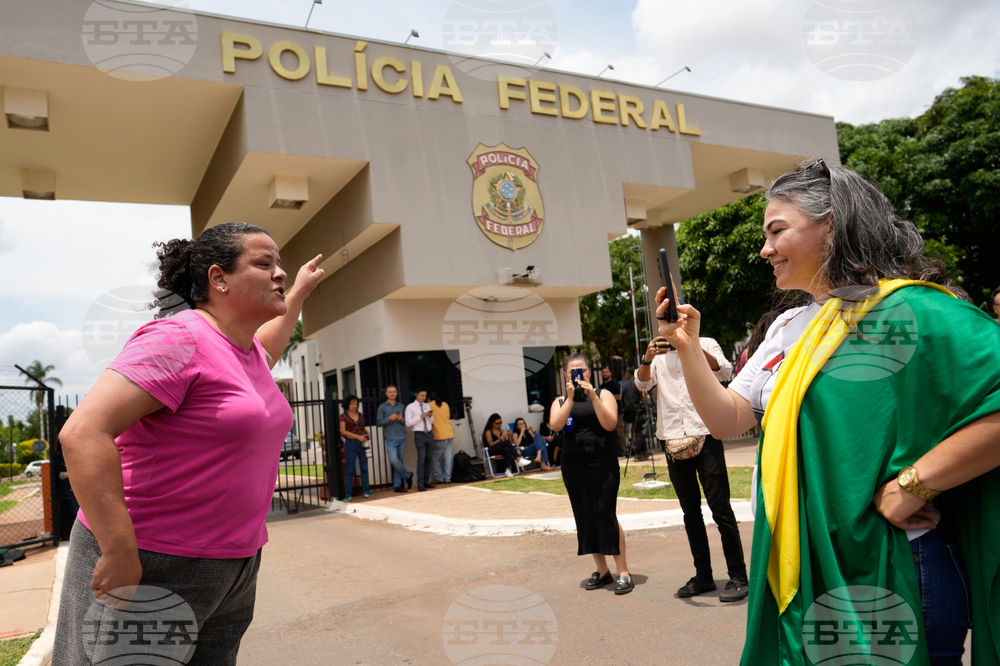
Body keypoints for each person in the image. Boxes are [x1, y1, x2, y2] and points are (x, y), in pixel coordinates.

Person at [655, 159, 1000, 664]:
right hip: (813, 560)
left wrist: (913, 485)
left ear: (832, 226)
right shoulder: (790, 325)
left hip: (898, 561)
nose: (764, 249)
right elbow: (729, 420)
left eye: (777, 231)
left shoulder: (909, 311)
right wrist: (685, 346)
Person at [54, 222, 323, 665]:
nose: (280, 272)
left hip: (233, 567)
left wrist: (298, 294)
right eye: (265, 263)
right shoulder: (178, 340)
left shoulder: (245, 351)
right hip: (154, 562)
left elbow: (270, 345)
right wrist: (119, 550)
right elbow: (83, 433)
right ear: (218, 279)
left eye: (281, 265)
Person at [634, 335, 748, 602]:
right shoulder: (657, 351)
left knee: (720, 508)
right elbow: (642, 383)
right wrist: (647, 358)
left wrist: (691, 345)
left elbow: (724, 370)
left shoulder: (704, 343)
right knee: (690, 512)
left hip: (706, 434)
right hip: (673, 438)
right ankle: (704, 576)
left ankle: (739, 576)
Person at [550, 354, 633, 595]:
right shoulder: (560, 400)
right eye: (573, 371)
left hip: (602, 461)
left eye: (583, 371)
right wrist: (571, 398)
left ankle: (623, 571)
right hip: (573, 464)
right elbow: (556, 425)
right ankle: (602, 570)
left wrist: (592, 396)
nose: (579, 375)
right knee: (585, 515)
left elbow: (609, 423)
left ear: (590, 373)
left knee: (605, 513)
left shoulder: (604, 394)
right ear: (566, 375)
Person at [376, 385, 412, 493]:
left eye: (394, 392)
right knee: (394, 461)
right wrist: (388, 419)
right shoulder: (382, 408)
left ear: (396, 393)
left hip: (401, 436)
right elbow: (378, 423)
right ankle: (407, 475)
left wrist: (401, 419)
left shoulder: (401, 406)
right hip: (390, 438)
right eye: (390, 392)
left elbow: (406, 422)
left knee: (399, 461)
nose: (392, 393)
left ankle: (397, 485)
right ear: (386, 393)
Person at [339, 394, 373, 502]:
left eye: (356, 404)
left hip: (362, 443)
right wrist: (358, 437)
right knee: (350, 469)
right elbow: (343, 432)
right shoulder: (343, 416)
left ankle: (366, 491)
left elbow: (362, 428)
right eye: (352, 404)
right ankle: (348, 493)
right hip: (351, 443)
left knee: (364, 467)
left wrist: (368, 434)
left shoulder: (360, 415)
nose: (354, 406)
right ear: (347, 404)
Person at [405, 389, 435, 491]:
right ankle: (420, 483)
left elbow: (432, 421)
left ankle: (427, 481)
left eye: (425, 396)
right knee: (421, 459)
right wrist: (420, 417)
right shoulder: (410, 407)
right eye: (422, 395)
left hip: (429, 433)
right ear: (416, 395)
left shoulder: (427, 405)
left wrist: (430, 417)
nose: (423, 398)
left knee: (429, 458)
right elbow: (408, 423)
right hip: (419, 434)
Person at [428, 393, 454, 484]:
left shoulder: (429, 405)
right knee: (447, 457)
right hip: (449, 434)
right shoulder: (445, 404)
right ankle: (447, 478)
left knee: (434, 458)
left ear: (429, 399)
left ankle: (438, 478)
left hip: (439, 436)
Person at [599, 366, 625, 456]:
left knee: (618, 433)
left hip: (617, 412)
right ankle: (614, 453)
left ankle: (622, 453)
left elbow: (619, 396)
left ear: (610, 373)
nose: (604, 374)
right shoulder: (601, 387)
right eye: (603, 372)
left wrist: (607, 397)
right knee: (610, 434)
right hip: (605, 414)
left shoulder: (615, 384)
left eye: (606, 372)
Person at [620, 367, 640, 445]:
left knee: (626, 431)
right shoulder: (637, 384)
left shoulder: (624, 385)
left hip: (627, 411)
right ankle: (636, 448)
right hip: (637, 410)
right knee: (636, 431)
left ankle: (627, 447)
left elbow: (622, 397)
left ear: (628, 373)